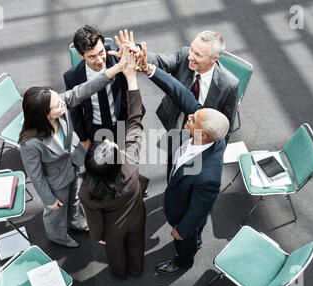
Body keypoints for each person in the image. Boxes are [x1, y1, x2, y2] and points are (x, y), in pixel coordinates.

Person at [18, 55, 127, 248]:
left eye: (59, 101)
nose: (62, 104)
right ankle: (58, 236)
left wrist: (115, 69)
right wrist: (48, 199)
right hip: (56, 181)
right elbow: (35, 175)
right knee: (56, 212)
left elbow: (83, 90)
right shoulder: (30, 143)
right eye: (57, 106)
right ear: (44, 114)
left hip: (75, 162)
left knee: (75, 197)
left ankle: (75, 221)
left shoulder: (57, 103)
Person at [139, 44, 230, 273]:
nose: (188, 118)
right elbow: (179, 91)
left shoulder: (207, 177)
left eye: (192, 120)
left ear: (204, 135)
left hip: (185, 213)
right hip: (182, 190)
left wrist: (183, 228)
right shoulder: (204, 124)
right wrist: (149, 68)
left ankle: (182, 261)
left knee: (186, 240)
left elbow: (201, 207)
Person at [78, 48, 148, 280]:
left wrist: (99, 235)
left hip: (112, 230)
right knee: (137, 247)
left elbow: (94, 221)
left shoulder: (87, 191)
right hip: (137, 219)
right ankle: (137, 271)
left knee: (115, 255)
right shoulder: (130, 162)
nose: (109, 139)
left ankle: (120, 275)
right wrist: (132, 79)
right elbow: (135, 119)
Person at [146, 31, 238, 179]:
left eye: (198, 55)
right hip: (175, 123)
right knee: (173, 158)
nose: (190, 57)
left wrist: (214, 158)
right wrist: (139, 54)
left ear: (214, 58)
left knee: (192, 172)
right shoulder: (184, 56)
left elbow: (227, 127)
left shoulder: (229, 85)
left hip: (200, 136)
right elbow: (160, 60)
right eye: (191, 50)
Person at [63, 25, 131, 148]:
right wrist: (83, 138)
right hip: (96, 129)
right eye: (92, 56)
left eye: (101, 52)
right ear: (80, 55)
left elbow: (137, 49)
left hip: (123, 124)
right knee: (101, 165)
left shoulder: (117, 54)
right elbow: (75, 110)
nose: (99, 60)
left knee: (126, 163)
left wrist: (132, 50)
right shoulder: (72, 76)